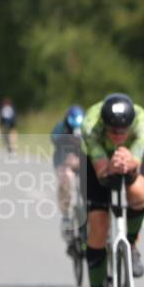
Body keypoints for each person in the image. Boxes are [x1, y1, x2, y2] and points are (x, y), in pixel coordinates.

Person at [81, 93, 144, 287]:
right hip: (97, 162)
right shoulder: (91, 127)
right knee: (99, 228)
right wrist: (109, 166)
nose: (119, 136)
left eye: (124, 132)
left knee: (138, 195)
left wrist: (130, 161)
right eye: (114, 132)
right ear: (105, 126)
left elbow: (137, 159)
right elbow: (101, 172)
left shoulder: (143, 124)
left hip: (131, 157)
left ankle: (131, 246)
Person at [51, 105, 85, 252]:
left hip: (84, 160)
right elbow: (59, 153)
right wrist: (66, 163)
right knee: (66, 178)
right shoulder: (59, 131)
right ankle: (66, 216)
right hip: (64, 160)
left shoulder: (89, 130)